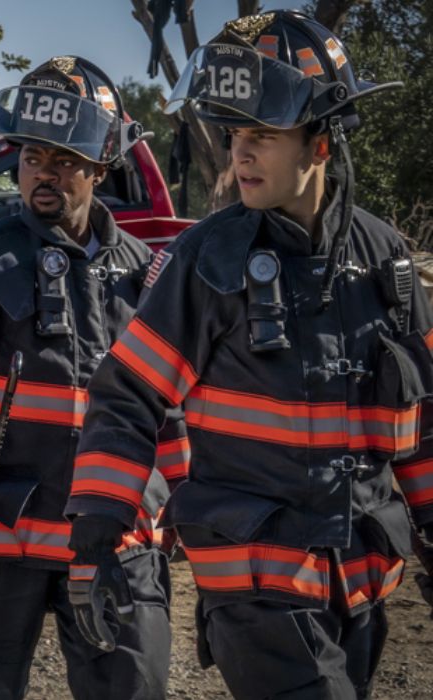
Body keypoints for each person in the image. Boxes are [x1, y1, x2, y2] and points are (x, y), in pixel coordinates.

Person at [68, 10, 433, 699]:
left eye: (261, 135)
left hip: (360, 585)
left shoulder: (387, 259)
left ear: (320, 144)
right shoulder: (206, 258)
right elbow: (128, 395)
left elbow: (424, 420)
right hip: (256, 585)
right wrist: (99, 531)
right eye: (235, 135)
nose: (240, 154)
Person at [0, 56, 180, 700]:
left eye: (63, 159)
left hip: (118, 545)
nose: (42, 172)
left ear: (101, 167)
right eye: (29, 156)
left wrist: (173, 514)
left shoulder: (148, 277)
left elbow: (172, 414)